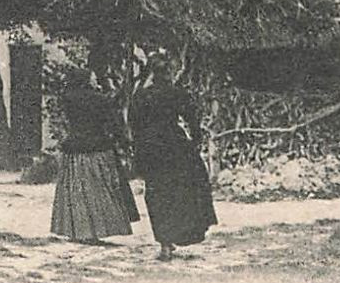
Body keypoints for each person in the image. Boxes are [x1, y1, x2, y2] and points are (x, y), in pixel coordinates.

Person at [131, 80, 218, 260]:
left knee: (157, 192)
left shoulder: (142, 95)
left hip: (150, 146)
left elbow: (134, 123)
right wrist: (195, 139)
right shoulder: (176, 93)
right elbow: (192, 119)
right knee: (181, 189)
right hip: (174, 144)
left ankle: (164, 242)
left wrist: (139, 147)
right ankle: (178, 234)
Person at [50, 76, 138, 243]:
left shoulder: (68, 98)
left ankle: (76, 230)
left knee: (76, 191)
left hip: (74, 147)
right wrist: (123, 140)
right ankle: (95, 231)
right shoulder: (99, 99)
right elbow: (112, 121)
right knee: (99, 190)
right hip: (97, 146)